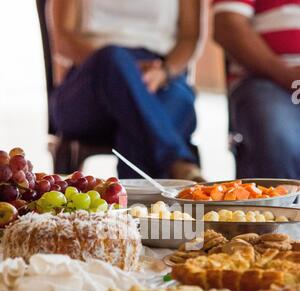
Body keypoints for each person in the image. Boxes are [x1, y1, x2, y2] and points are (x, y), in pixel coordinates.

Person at [48, 0, 203, 180]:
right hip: (93, 77)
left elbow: (190, 37)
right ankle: (177, 162)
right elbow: (62, 39)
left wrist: (164, 72)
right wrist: (123, 71)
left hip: (160, 73)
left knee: (147, 116)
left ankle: (135, 206)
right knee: (113, 59)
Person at [213, 0, 300, 179]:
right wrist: (290, 78)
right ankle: (285, 206)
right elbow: (228, 25)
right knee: (277, 133)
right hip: (268, 80)